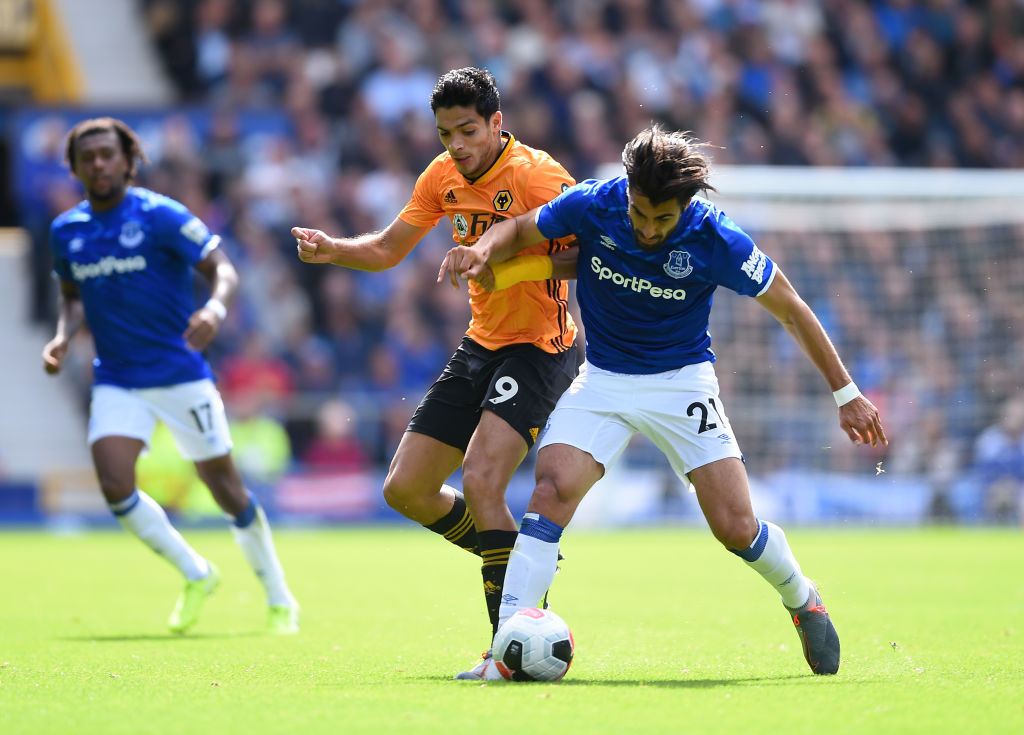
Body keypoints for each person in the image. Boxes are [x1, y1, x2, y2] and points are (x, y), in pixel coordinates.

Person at [439, 125, 888, 679]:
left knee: (735, 526)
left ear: (687, 206)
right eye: (640, 214)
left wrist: (847, 394)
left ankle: (803, 597)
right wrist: (483, 251)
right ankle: (502, 651)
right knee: (550, 491)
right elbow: (521, 227)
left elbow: (791, 307)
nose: (649, 229)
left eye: (663, 219)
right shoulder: (594, 203)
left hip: (682, 384)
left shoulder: (716, 239)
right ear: (627, 193)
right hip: (602, 381)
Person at [291, 67, 580, 678]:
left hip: (540, 346)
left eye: (469, 130)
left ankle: (506, 645)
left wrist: (506, 260)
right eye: (447, 132)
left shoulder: (536, 175)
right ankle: (523, 563)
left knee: (481, 481)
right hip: (480, 344)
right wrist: (333, 249)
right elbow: (389, 248)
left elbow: (591, 251)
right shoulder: (440, 176)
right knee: (404, 489)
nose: (457, 144)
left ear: (497, 123)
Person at [43, 117, 299, 635]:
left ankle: (279, 597)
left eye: (107, 154)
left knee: (225, 488)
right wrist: (63, 335)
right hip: (116, 378)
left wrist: (215, 311)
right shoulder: (66, 231)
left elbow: (222, 268)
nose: (98, 164)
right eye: (87, 157)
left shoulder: (160, 216)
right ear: (75, 167)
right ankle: (196, 571)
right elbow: (72, 295)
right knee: (115, 484)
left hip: (180, 373)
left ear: (127, 160)